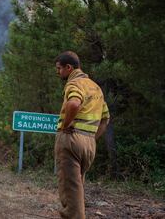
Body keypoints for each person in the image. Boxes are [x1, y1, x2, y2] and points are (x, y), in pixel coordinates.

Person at [54, 51, 110, 219]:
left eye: (59, 68)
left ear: (69, 68)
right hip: (89, 144)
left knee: (70, 192)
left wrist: (66, 125)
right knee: (77, 188)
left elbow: (73, 103)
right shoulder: (95, 87)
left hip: (71, 140)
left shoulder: (74, 83)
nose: (58, 72)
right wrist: (91, 138)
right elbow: (106, 119)